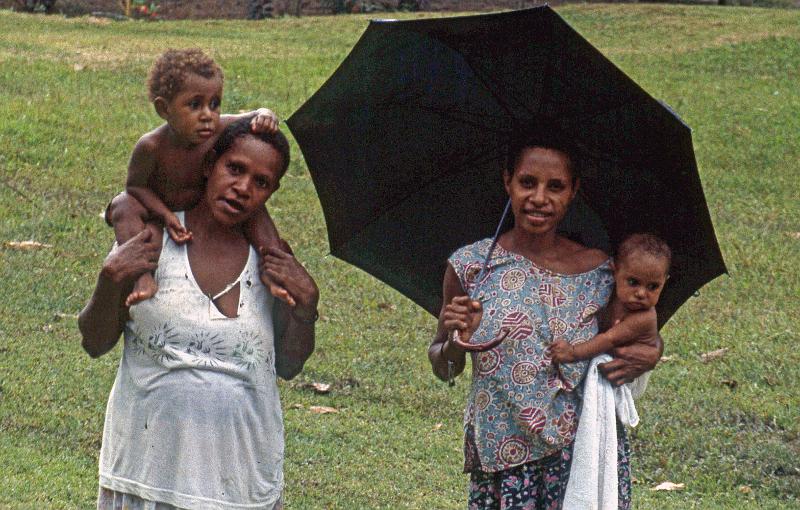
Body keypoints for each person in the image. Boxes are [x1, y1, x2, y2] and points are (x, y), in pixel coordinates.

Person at [79, 118, 319, 510]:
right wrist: (110, 279)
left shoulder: (271, 262)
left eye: (260, 182)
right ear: (209, 165)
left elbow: (289, 364)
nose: (242, 189)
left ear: (271, 193)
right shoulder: (150, 240)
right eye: (235, 169)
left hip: (241, 484)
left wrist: (307, 307)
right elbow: (94, 341)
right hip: (147, 479)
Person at [428, 140, 662, 509]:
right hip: (502, 455)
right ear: (508, 182)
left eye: (555, 186)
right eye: (527, 182)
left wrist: (652, 354)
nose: (539, 197)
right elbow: (444, 366)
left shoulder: (600, 271)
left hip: (580, 448)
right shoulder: (472, 267)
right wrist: (457, 339)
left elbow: (639, 327)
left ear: (573, 192)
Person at [108, 48, 289, 307]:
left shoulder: (218, 128)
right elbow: (136, 187)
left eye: (214, 104)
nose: (207, 115)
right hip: (160, 206)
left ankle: (274, 270)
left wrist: (266, 116)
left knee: (257, 212)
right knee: (122, 205)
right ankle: (142, 277)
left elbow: (255, 115)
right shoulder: (151, 147)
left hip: (205, 204)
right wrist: (165, 215)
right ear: (164, 109)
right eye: (195, 105)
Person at [549, 233, 670, 366]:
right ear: (614, 270)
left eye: (653, 286)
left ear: (665, 281)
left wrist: (572, 353)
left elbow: (608, 340)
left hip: (624, 368)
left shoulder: (644, 317)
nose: (641, 293)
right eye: (633, 282)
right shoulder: (610, 291)